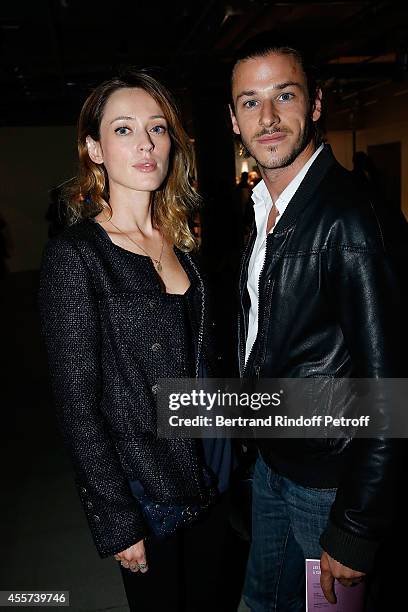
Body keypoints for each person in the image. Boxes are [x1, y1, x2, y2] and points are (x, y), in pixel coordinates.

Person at [38, 70, 245, 612]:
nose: (146, 144)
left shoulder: (182, 243)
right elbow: (77, 406)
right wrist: (116, 517)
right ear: (94, 148)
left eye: (157, 128)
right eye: (124, 129)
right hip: (149, 488)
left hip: (215, 471)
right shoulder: (78, 257)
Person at [228, 32, 407, 611]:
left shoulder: (351, 219)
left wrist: (356, 526)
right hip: (275, 466)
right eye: (251, 102)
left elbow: (390, 382)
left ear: (317, 104)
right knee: (261, 604)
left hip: (330, 485)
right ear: (233, 120)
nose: (270, 117)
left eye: (286, 94)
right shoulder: (263, 211)